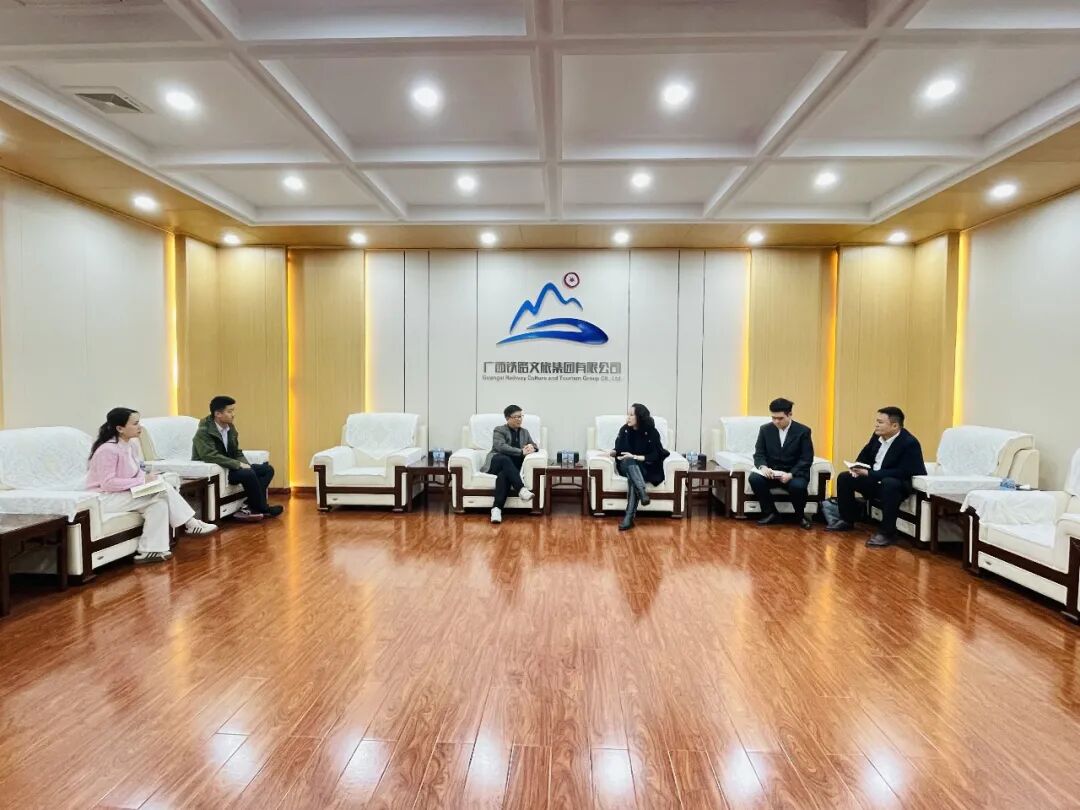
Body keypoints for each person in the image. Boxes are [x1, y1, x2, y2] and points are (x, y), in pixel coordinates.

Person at [87, 407, 217, 564]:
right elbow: (108, 484)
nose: (140, 426)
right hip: (105, 499)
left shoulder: (131, 445)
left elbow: (135, 472)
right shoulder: (107, 450)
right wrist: (143, 481)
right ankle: (191, 523)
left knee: (159, 502)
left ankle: (150, 550)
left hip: (124, 493)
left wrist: (148, 477)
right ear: (120, 428)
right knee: (163, 487)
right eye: (135, 423)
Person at [831, 406, 926, 547]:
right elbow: (865, 455)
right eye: (877, 421)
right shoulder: (877, 436)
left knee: (889, 483)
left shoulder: (909, 443)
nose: (876, 425)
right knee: (845, 478)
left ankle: (887, 533)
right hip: (875, 480)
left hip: (896, 486)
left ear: (894, 425)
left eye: (880, 422)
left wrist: (871, 474)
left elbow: (905, 472)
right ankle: (847, 520)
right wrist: (857, 467)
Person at [192, 395, 282, 521]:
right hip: (219, 470)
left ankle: (250, 506)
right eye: (229, 411)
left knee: (267, 469)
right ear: (218, 414)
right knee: (248, 474)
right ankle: (263, 508)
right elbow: (209, 455)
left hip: (230, 467)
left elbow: (236, 452)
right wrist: (238, 465)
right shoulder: (204, 431)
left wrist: (246, 464)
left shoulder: (230, 427)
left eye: (233, 411)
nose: (233, 414)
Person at [748, 397, 815, 530]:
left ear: (790, 414)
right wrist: (763, 467)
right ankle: (771, 513)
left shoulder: (803, 431)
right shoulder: (765, 429)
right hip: (772, 472)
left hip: (793, 473)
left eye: (780, 418)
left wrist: (791, 474)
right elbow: (759, 454)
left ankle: (800, 516)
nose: (776, 421)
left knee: (798, 486)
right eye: (773, 418)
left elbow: (806, 459)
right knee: (754, 478)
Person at [612, 403, 670, 531]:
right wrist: (613, 452)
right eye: (627, 414)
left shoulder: (652, 432)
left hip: (643, 466)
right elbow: (618, 449)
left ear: (639, 417)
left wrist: (635, 457)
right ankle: (642, 492)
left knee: (633, 477)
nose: (628, 417)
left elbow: (655, 454)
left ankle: (628, 518)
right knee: (628, 461)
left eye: (631, 415)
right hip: (625, 465)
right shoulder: (624, 429)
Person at [482, 404, 537, 524]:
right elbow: (500, 447)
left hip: (511, 468)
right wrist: (521, 452)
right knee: (505, 459)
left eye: (521, 416)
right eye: (516, 417)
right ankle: (521, 489)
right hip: (496, 462)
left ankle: (496, 509)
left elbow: (534, 445)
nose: (519, 419)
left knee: (504, 475)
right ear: (507, 418)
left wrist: (531, 447)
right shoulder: (499, 430)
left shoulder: (525, 432)